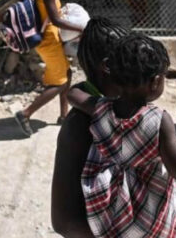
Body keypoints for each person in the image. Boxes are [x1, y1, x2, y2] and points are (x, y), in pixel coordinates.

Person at [67, 33, 176, 238]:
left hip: (113, 206)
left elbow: (72, 94)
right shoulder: (159, 121)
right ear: (155, 82)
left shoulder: (101, 108)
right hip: (151, 207)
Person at [51, 17, 128, 238]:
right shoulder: (80, 125)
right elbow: (63, 221)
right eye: (130, 55)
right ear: (108, 66)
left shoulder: (128, 107)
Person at [13, 0, 85, 136]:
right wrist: (82, 28)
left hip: (48, 41)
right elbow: (56, 20)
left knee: (66, 75)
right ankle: (25, 114)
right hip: (49, 42)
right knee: (59, 84)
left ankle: (64, 116)